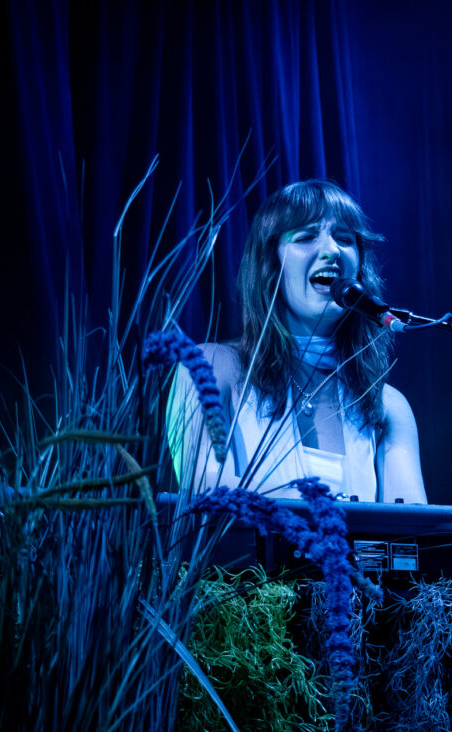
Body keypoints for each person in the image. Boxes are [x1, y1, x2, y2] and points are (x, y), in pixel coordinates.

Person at [167, 179, 426, 504]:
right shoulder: (208, 367)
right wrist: (322, 508)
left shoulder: (386, 405)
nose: (332, 250)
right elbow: (205, 487)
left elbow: (411, 523)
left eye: (345, 239)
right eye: (305, 237)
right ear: (270, 265)